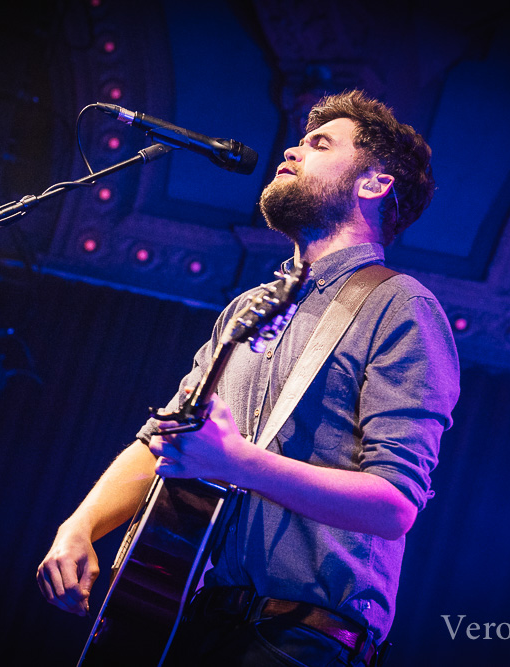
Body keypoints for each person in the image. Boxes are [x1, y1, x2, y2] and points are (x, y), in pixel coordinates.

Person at [37, 89, 460, 666]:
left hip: (300, 638)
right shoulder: (249, 309)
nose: (290, 149)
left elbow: (393, 507)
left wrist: (239, 463)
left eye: (318, 143)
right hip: (183, 615)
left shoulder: (400, 306)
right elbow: (166, 439)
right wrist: (81, 525)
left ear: (374, 183)